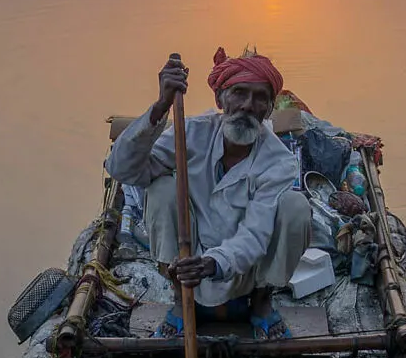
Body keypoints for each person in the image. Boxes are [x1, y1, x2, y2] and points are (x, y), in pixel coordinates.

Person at [105, 47, 310, 339]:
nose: (248, 106)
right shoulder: (191, 133)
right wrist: (161, 106)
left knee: (295, 206)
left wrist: (213, 263)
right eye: (239, 93)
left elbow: (256, 233)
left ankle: (262, 302)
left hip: (246, 266)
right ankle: (181, 301)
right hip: (187, 261)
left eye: (259, 98)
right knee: (161, 188)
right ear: (220, 100)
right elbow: (122, 170)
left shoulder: (278, 161)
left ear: (269, 109)